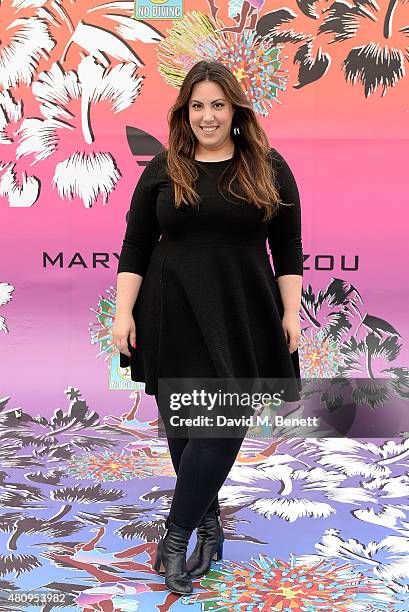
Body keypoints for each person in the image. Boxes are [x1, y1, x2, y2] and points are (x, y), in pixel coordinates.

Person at [112, 60, 303, 594]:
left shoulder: (267, 166)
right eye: (197, 105)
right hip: (170, 310)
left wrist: (291, 313)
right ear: (184, 112)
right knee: (184, 428)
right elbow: (135, 245)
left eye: (217, 104)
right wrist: (122, 312)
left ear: (235, 109)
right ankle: (209, 529)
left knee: (222, 423)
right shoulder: (164, 168)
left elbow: (286, 248)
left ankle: (173, 538)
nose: (207, 115)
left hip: (243, 310)